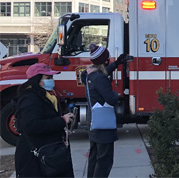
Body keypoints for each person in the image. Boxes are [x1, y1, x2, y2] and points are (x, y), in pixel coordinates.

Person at [14, 63, 75, 177]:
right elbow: (32, 125)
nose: (52, 80)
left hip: (49, 155)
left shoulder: (46, 96)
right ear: (36, 80)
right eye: (48, 78)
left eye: (52, 77)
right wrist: (61, 120)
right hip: (35, 160)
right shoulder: (29, 99)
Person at [82, 44, 125, 178]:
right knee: (104, 161)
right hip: (103, 125)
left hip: (94, 122)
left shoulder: (89, 74)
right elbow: (110, 98)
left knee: (94, 157)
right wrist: (116, 94)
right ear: (105, 60)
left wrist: (117, 63)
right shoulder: (100, 78)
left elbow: (105, 70)